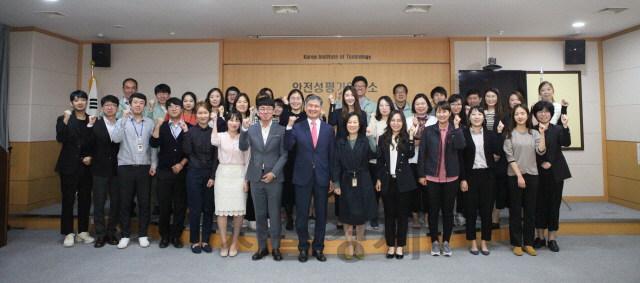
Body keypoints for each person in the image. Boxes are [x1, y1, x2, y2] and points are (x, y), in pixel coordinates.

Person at [284, 94, 335, 263]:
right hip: (302, 175)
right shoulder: (297, 127)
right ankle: (303, 248)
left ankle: (319, 248)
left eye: (316, 106)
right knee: (302, 215)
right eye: (310, 106)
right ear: (305, 108)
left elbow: (332, 155)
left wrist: (332, 178)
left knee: (321, 214)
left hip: (322, 175)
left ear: (321, 109)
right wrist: (289, 127)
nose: (313, 109)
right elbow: (287, 146)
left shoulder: (328, 129)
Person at [239, 97, 288, 261]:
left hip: (274, 178)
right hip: (255, 177)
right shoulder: (251, 129)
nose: (265, 112)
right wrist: (244, 129)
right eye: (262, 109)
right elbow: (243, 147)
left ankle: (276, 248)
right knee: (259, 215)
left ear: (273, 111)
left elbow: (284, 154)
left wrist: (273, 173)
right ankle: (262, 248)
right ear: (257, 112)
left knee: (274, 214)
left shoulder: (281, 129)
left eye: (269, 109)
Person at [110, 93, 158, 249]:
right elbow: (115, 139)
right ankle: (125, 235)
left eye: (141, 103)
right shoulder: (121, 121)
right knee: (125, 203)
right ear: (129, 104)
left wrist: (154, 164)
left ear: (144, 106)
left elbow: (153, 146)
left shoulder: (150, 123)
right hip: (126, 166)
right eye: (135, 102)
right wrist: (123, 119)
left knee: (144, 203)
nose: (138, 105)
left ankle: (143, 235)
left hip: (144, 166)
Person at [418, 101, 465, 257]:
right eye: (439, 111)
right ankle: (434, 241)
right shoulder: (429, 131)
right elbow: (422, 154)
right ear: (435, 113)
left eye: (445, 111)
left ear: (450, 113)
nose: (442, 114)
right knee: (432, 211)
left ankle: (446, 242)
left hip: (451, 178)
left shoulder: (455, 130)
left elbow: (461, 146)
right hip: (431, 177)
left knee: (447, 212)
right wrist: (421, 174)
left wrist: (457, 128)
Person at [458, 106, 504, 255]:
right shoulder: (463, 134)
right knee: (470, 211)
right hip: (470, 177)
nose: (476, 117)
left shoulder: (490, 134)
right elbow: (460, 159)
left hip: (488, 176)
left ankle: (484, 243)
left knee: (486, 211)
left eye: (479, 114)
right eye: (473, 114)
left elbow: (498, 151)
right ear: (469, 117)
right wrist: (463, 179)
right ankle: (473, 243)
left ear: (484, 117)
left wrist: (499, 133)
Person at [333, 113, 377, 260]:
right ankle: (349, 244)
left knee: (361, 214)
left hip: (363, 179)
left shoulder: (365, 140)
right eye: (349, 122)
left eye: (355, 122)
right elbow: (336, 164)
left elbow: (375, 154)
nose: (352, 125)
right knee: (346, 214)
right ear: (346, 125)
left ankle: (359, 243)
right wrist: (337, 183)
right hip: (346, 180)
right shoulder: (340, 142)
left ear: (360, 125)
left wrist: (371, 137)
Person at [503, 104, 546, 256]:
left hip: (532, 175)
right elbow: (510, 157)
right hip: (515, 176)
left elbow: (540, 151)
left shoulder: (534, 133)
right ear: (513, 117)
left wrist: (542, 135)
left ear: (528, 116)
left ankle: (528, 242)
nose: (520, 116)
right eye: (517, 114)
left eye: (523, 113)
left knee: (530, 211)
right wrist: (520, 176)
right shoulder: (509, 134)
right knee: (515, 210)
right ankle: (516, 243)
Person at [55, 90, 95, 247]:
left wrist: (91, 156)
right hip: (68, 166)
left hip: (86, 167)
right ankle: (68, 233)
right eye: (76, 100)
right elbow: (60, 138)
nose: (80, 102)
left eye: (83, 100)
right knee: (68, 201)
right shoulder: (63, 119)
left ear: (86, 102)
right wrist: (65, 119)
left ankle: (83, 231)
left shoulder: (92, 119)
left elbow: (94, 142)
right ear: (71, 103)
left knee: (85, 200)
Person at [375, 110, 416, 259]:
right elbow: (379, 162)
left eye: (399, 120)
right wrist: (379, 179)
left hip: (404, 183)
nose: (396, 123)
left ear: (403, 122)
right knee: (389, 215)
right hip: (387, 181)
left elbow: (411, 154)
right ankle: (391, 246)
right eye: (393, 120)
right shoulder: (382, 139)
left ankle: (400, 247)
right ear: (389, 122)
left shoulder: (406, 138)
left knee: (402, 216)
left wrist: (411, 135)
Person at [531, 101, 571, 252]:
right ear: (535, 114)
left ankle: (552, 239)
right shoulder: (532, 130)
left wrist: (566, 126)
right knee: (539, 205)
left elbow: (566, 143)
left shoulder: (559, 128)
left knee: (554, 206)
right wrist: (541, 162)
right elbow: (531, 151)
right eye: (540, 111)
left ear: (551, 113)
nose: (543, 114)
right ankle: (540, 237)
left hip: (555, 173)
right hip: (538, 173)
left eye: (546, 111)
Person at [149, 97, 189, 249]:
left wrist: (181, 163)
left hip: (182, 172)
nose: (173, 108)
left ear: (181, 109)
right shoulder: (162, 126)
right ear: (167, 109)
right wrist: (158, 126)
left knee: (180, 206)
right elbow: (153, 144)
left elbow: (191, 151)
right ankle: (164, 236)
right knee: (164, 206)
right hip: (164, 172)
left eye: (176, 106)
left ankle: (176, 236)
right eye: (170, 106)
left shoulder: (188, 127)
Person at [211, 110, 251, 257]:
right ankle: (224, 243)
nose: (234, 123)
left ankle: (234, 242)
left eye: (237, 120)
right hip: (223, 174)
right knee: (221, 210)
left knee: (238, 211)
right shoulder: (220, 136)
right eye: (231, 120)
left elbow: (248, 160)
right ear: (226, 121)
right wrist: (215, 121)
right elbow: (213, 141)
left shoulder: (244, 138)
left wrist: (247, 180)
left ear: (240, 123)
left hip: (239, 174)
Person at [181, 102, 219, 254]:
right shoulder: (190, 131)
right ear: (195, 115)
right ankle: (195, 241)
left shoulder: (214, 132)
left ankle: (206, 241)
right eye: (200, 113)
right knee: (195, 209)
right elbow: (186, 150)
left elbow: (217, 157)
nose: (203, 116)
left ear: (210, 114)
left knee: (209, 209)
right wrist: (185, 133)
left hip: (209, 174)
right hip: (194, 173)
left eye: (205, 113)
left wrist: (213, 176)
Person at [84, 95, 121, 248]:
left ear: (117, 108)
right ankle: (100, 233)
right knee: (99, 202)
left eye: (113, 105)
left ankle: (111, 231)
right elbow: (87, 144)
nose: (110, 107)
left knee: (116, 203)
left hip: (118, 170)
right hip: (99, 169)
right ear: (102, 108)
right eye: (106, 105)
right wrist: (88, 127)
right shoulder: (95, 125)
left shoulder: (121, 124)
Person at [328, 86, 367, 228]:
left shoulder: (362, 114)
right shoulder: (339, 112)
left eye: (352, 95)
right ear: (343, 97)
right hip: (341, 151)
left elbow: (364, 135)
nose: (349, 97)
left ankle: (357, 217)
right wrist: (333, 103)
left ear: (356, 97)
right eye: (347, 95)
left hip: (357, 153)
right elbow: (331, 122)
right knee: (342, 184)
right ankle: (341, 216)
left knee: (356, 190)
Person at [482, 88, 511, 229]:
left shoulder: (504, 114)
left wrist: (498, 152)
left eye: (493, 96)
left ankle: (497, 215)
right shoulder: (480, 112)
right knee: (487, 188)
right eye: (488, 96)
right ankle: (488, 213)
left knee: (499, 186)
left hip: (500, 154)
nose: (490, 99)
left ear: (498, 98)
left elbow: (506, 134)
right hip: (483, 155)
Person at [407, 93, 436, 228]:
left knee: (429, 191)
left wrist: (421, 142)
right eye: (417, 104)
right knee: (413, 191)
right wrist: (413, 140)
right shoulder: (407, 120)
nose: (420, 106)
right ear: (413, 106)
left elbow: (437, 141)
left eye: (423, 103)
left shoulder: (435, 120)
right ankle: (415, 217)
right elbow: (404, 141)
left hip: (429, 161)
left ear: (428, 105)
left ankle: (427, 216)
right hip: (412, 160)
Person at [278, 89, 306, 231]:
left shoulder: (306, 115)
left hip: (303, 157)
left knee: (301, 189)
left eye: (298, 98)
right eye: (293, 98)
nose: (296, 101)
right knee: (288, 189)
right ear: (289, 100)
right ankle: (289, 218)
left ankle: (301, 218)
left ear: (303, 100)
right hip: (288, 157)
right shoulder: (284, 116)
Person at [367, 96, 396, 230]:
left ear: (391, 106)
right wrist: (372, 120)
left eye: (386, 105)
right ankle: (374, 218)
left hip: (392, 162)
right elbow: (370, 136)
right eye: (381, 105)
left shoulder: (396, 121)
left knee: (389, 192)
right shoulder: (375, 121)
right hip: (375, 161)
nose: (384, 108)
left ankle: (390, 217)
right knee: (375, 191)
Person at [233, 92, 257, 230]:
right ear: (235, 104)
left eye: (245, 102)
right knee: (237, 191)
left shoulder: (254, 119)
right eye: (239, 102)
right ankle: (237, 217)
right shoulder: (231, 119)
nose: (242, 104)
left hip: (250, 159)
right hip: (234, 159)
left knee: (251, 189)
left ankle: (250, 217)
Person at [448, 94, 468, 227]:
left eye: (459, 104)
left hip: (466, 157)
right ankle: (449, 214)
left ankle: (460, 213)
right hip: (451, 157)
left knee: (464, 187)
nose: (456, 107)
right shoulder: (446, 120)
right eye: (453, 104)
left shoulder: (466, 120)